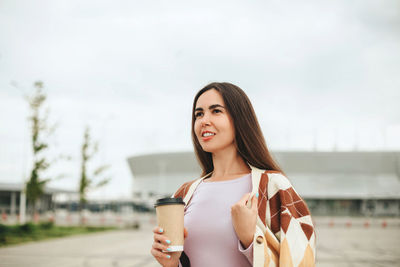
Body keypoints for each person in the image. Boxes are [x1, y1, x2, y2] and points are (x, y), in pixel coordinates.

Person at [151, 82, 316, 267]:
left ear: (239, 119)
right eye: (199, 114)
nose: (204, 120)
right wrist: (172, 264)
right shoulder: (184, 194)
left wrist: (250, 241)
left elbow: (301, 262)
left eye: (216, 111)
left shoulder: (274, 187)